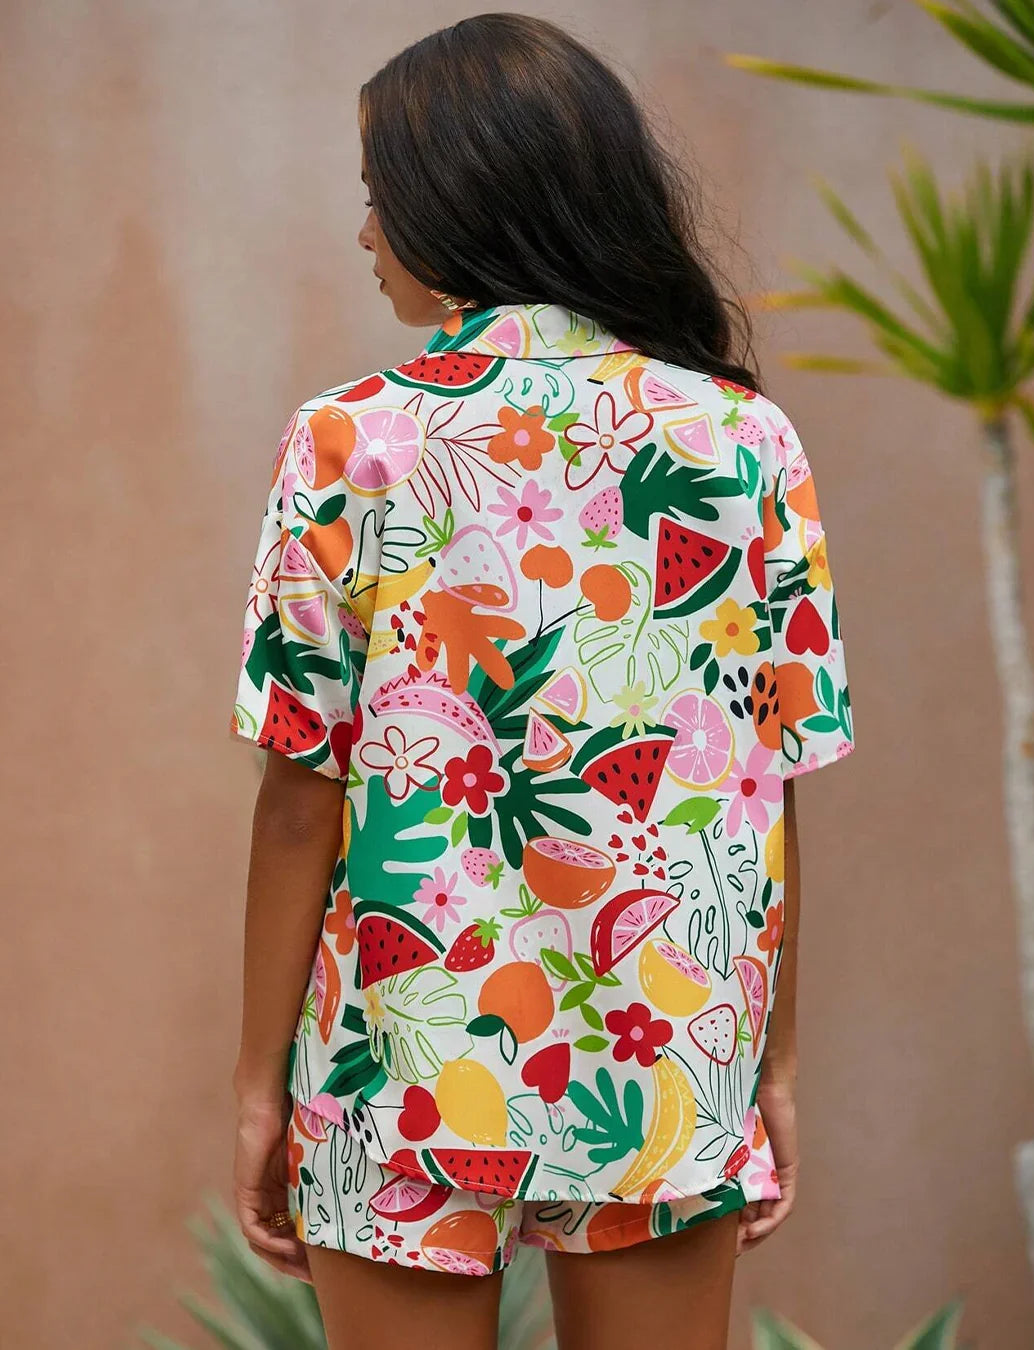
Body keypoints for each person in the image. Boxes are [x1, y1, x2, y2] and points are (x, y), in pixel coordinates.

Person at [228, 13, 855, 1350]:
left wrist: (256, 1085)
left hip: (399, 1052)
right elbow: (771, 777)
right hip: (668, 1043)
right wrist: (776, 1061)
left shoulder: (349, 442)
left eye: (378, 194)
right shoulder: (745, 438)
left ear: (462, 196)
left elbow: (299, 790)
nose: (365, 232)